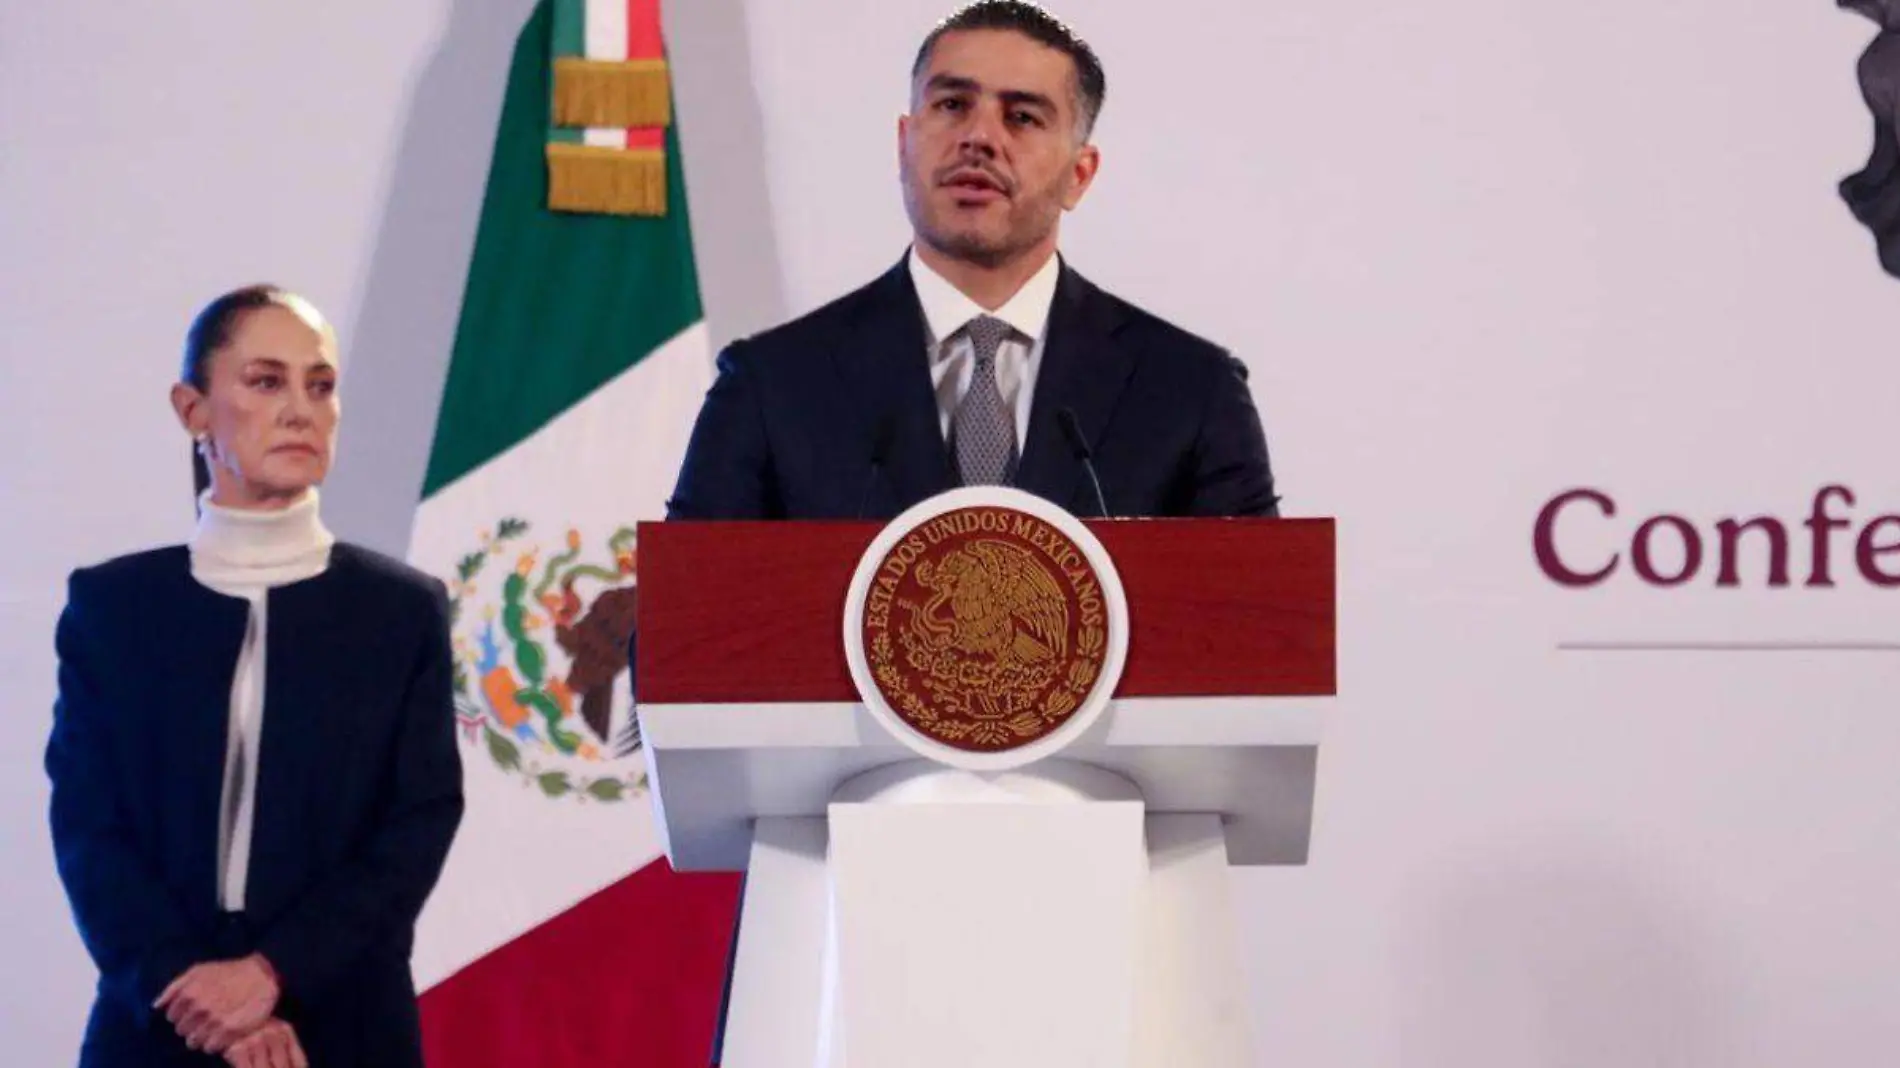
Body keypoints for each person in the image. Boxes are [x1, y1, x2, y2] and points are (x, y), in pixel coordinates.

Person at [44, 284, 465, 1067]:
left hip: (343, 1028)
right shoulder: (113, 608)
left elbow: (417, 823)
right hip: (159, 1023)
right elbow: (89, 827)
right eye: (267, 381)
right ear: (193, 410)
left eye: (321, 385)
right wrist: (195, 994)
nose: (301, 410)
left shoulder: (401, 611)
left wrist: (272, 975)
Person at [666, 0, 1280, 521]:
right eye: (953, 105)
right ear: (904, 144)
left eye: (1022, 117)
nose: (979, 138)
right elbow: (684, 620)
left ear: (1080, 175)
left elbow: (1255, 620)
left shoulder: (1191, 392)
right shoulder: (772, 386)